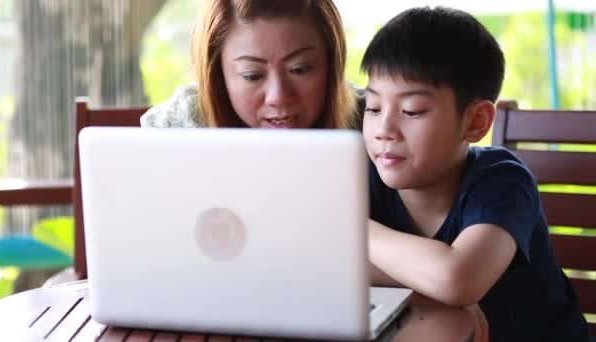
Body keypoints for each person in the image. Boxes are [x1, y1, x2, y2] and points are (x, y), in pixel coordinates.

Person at [360, 7, 590, 341]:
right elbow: (326, 264)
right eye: (373, 107)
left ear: (476, 122)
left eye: (412, 110)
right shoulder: (368, 176)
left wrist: (348, 229)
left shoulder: (503, 182)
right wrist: (428, 288)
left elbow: (457, 278)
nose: (383, 129)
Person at [140, 0, 356, 129]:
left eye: (300, 69)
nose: (278, 97)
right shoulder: (180, 124)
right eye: (252, 75)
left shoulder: (375, 122)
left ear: (332, 63)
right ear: (218, 74)